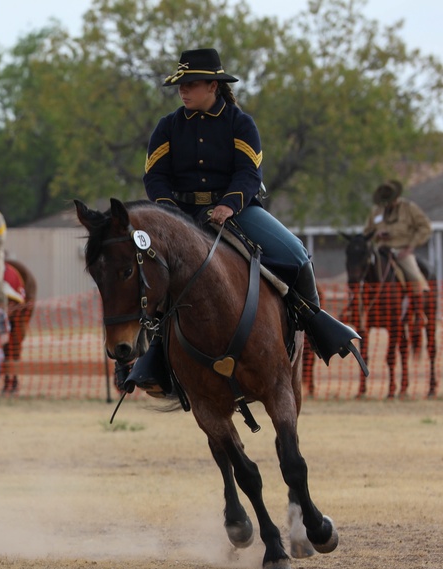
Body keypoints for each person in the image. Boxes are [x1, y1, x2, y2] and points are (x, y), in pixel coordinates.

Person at [129, 47, 363, 396]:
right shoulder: (167, 127)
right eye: (181, 84)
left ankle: (313, 326)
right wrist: (170, 213)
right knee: (149, 277)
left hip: (238, 211)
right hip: (182, 217)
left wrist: (229, 204)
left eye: (190, 83)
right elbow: (155, 178)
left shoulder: (240, 123)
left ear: (212, 86)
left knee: (297, 254)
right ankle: (154, 362)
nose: (183, 90)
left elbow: (249, 173)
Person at [363, 179, 432, 294]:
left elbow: (425, 227)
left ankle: (419, 308)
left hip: (401, 252)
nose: (389, 204)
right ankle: (357, 306)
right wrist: (376, 235)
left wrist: (411, 246)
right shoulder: (376, 211)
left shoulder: (409, 208)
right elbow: (366, 233)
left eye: (391, 201)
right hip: (380, 251)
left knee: (415, 278)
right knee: (361, 275)